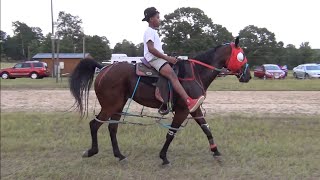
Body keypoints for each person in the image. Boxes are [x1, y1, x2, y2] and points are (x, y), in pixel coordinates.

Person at [142, 7, 205, 112]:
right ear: (151, 19)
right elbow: (151, 49)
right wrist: (167, 58)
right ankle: (188, 101)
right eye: (157, 17)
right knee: (172, 75)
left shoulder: (153, 32)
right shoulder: (149, 32)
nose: (159, 20)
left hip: (157, 57)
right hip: (153, 59)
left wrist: (170, 58)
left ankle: (160, 91)